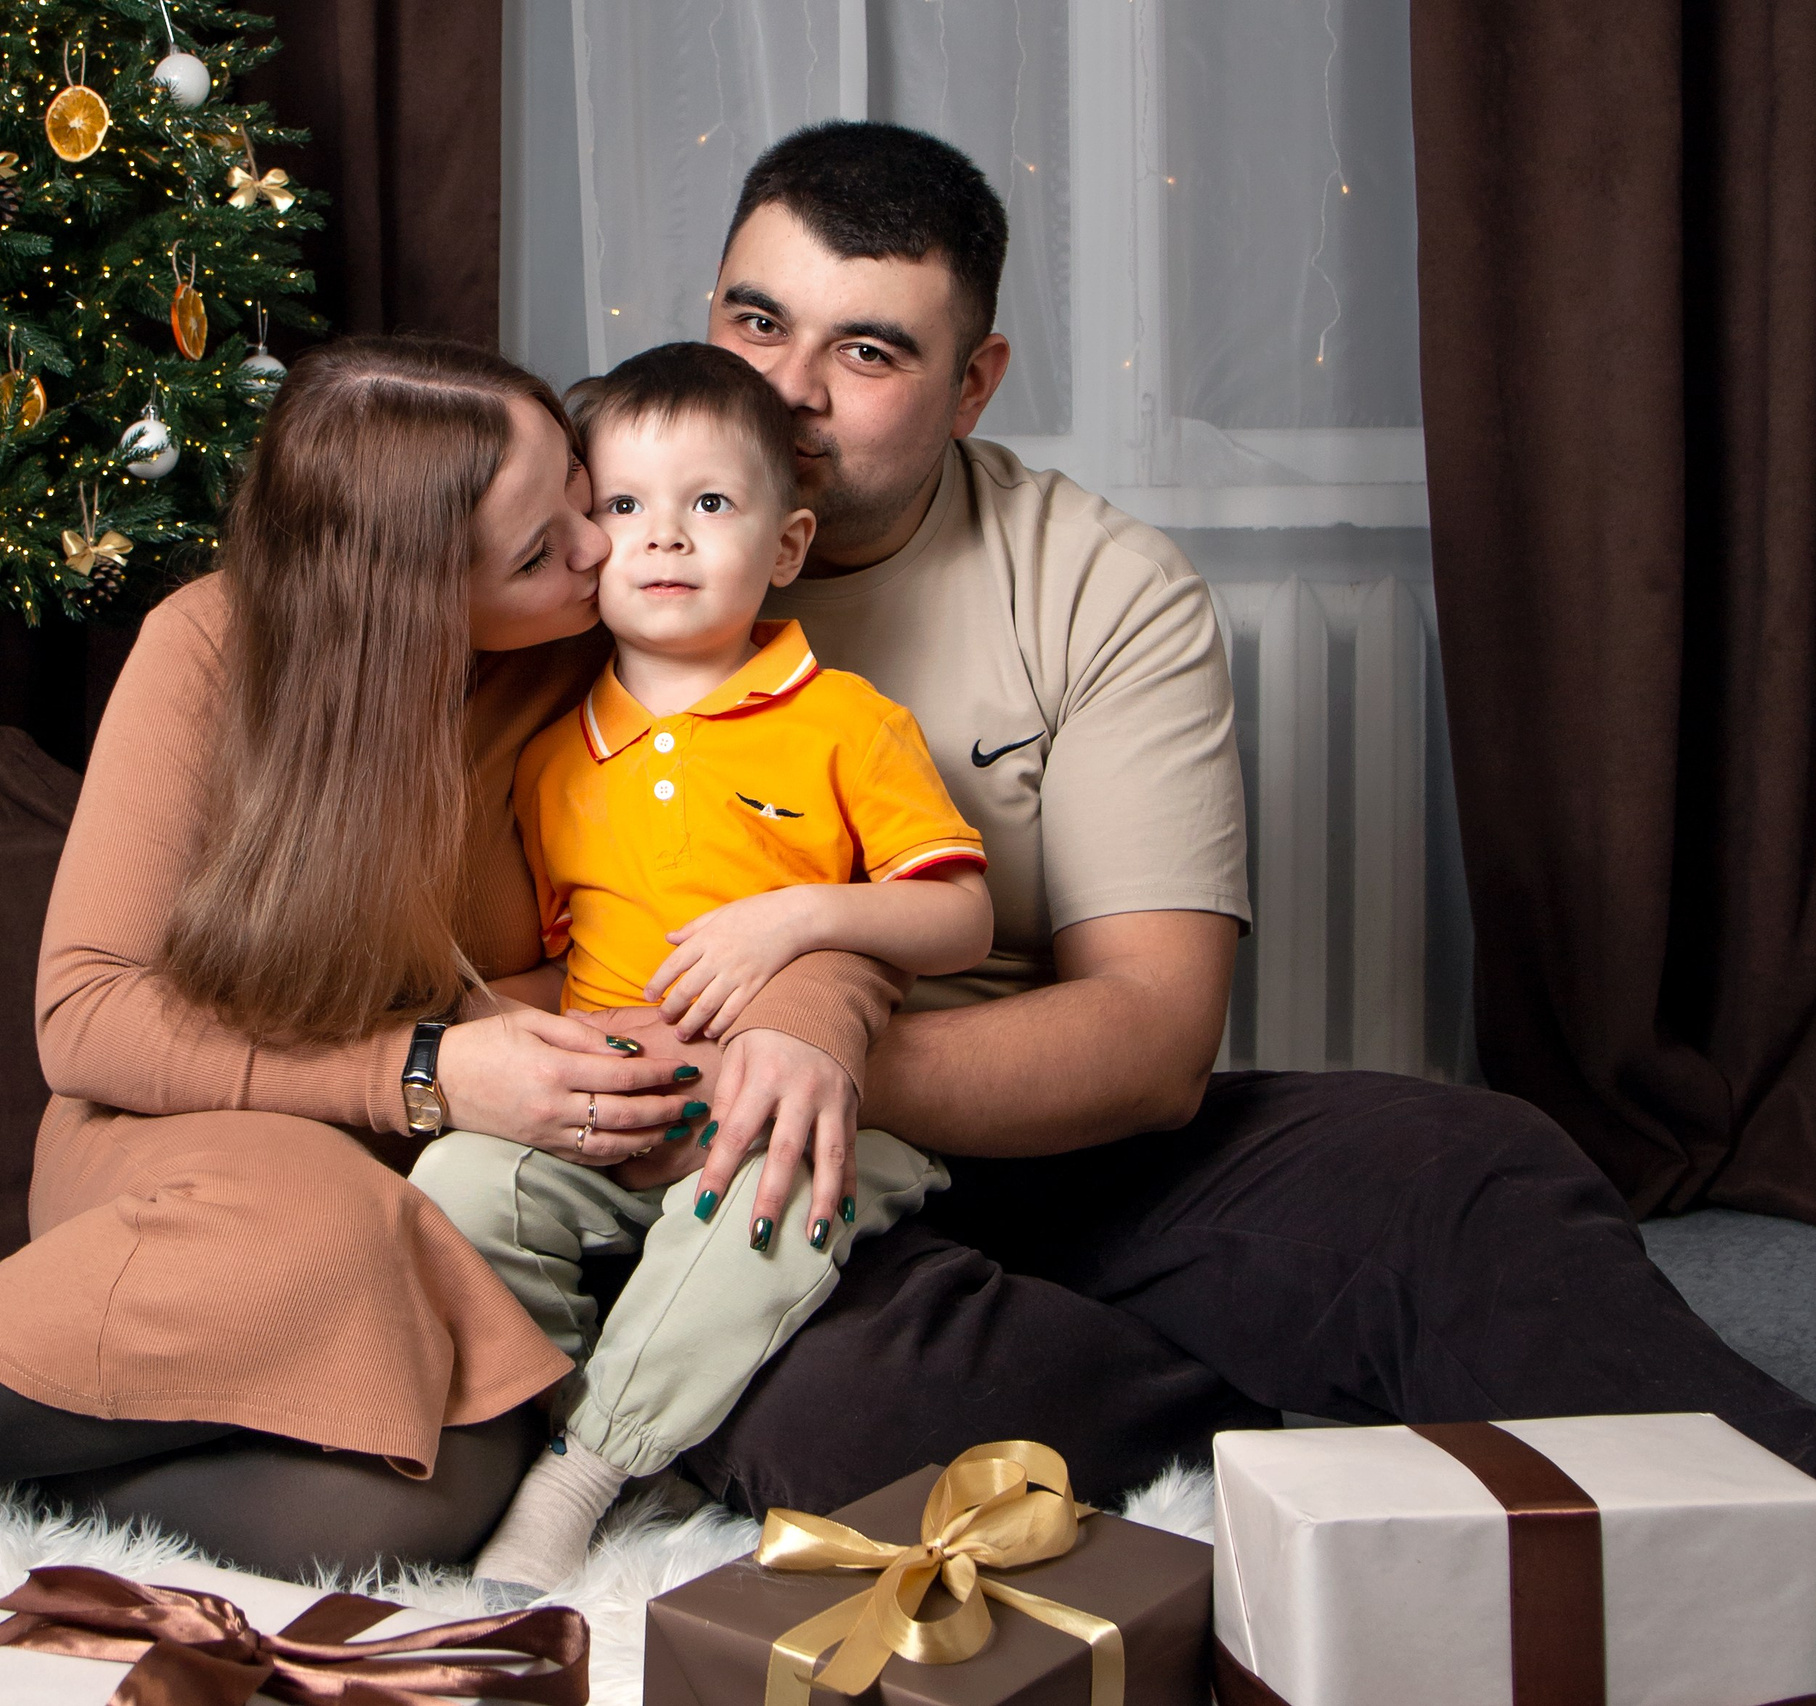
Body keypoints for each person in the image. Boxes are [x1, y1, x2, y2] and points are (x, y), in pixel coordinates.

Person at [566, 120, 1816, 1515]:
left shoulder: (1102, 583)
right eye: (756, 321)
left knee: (1465, 1169)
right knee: (862, 1410)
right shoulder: (594, 549)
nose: (787, 392)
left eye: (867, 352)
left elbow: (1152, 1040)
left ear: (974, 383)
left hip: (1033, 1137)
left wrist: (816, 1039)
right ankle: (1248, 1429)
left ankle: (1773, 1519)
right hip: (706, 1179)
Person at [0, 336, 906, 1573]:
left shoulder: (617, 650)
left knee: (450, 1480)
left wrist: (810, 999)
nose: (596, 544)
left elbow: (815, 845)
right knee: (331, 1223)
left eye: (577, 485)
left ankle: (30, 1469)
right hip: (194, 1150)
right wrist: (431, 1066)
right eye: (536, 546)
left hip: (440, 1176)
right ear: (412, 594)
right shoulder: (210, 646)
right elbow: (87, 1017)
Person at [412, 342, 990, 1594]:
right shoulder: (552, 754)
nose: (661, 540)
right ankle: (581, 1417)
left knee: (763, 1195)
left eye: (709, 505)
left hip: (794, 1113)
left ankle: (580, 1471)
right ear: (581, 533)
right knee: (459, 1178)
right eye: (623, 507)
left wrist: (791, 924)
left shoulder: (844, 718)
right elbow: (554, 966)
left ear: (785, 547)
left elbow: (960, 922)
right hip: (614, 1117)